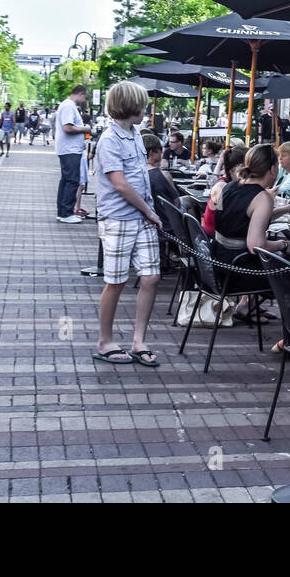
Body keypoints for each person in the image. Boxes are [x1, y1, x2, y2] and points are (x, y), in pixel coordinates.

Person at [92, 80, 163, 368]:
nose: (145, 110)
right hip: (120, 217)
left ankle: (138, 340)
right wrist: (149, 211)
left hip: (142, 215)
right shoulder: (109, 140)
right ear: (131, 106)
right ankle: (105, 341)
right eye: (142, 105)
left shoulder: (135, 134)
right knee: (116, 281)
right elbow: (120, 184)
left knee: (151, 276)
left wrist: (148, 211)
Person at [212, 144, 290, 264]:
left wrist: (288, 208)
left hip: (217, 259)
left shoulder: (229, 186)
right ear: (273, 169)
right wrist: (284, 244)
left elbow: (244, 220)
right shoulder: (263, 198)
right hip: (242, 268)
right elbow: (256, 246)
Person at [55, 85, 90, 223]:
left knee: (66, 180)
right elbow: (68, 127)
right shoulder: (69, 106)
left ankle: (63, 211)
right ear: (81, 94)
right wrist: (85, 129)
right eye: (84, 97)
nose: (84, 100)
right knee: (72, 180)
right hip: (70, 149)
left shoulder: (66, 105)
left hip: (68, 148)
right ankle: (66, 213)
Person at [203, 146, 248, 238]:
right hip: (214, 239)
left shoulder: (228, 182)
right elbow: (232, 220)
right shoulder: (222, 187)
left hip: (218, 235)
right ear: (240, 167)